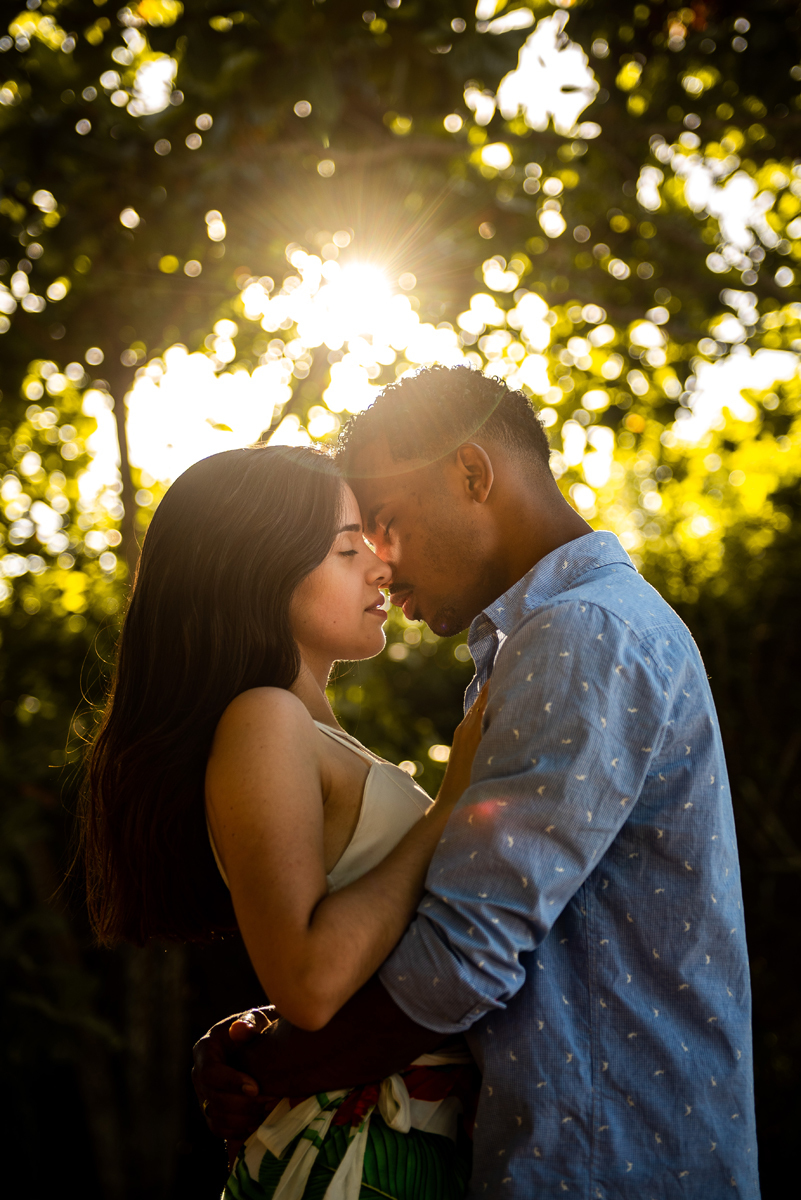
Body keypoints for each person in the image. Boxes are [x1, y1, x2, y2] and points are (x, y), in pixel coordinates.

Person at [194, 365, 760, 1199]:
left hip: (605, 1162)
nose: (381, 559)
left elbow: (462, 956)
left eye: (385, 522)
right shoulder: (548, 640)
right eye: (355, 541)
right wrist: (271, 1033)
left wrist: (270, 1068)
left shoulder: (581, 632)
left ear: (470, 473)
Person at [79, 443, 487, 1200]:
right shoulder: (264, 717)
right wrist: (451, 805)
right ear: (259, 571)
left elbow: (356, 955)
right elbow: (309, 981)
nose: (380, 566)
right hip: (351, 1157)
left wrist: (260, 1029)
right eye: (346, 548)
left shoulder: (308, 733)